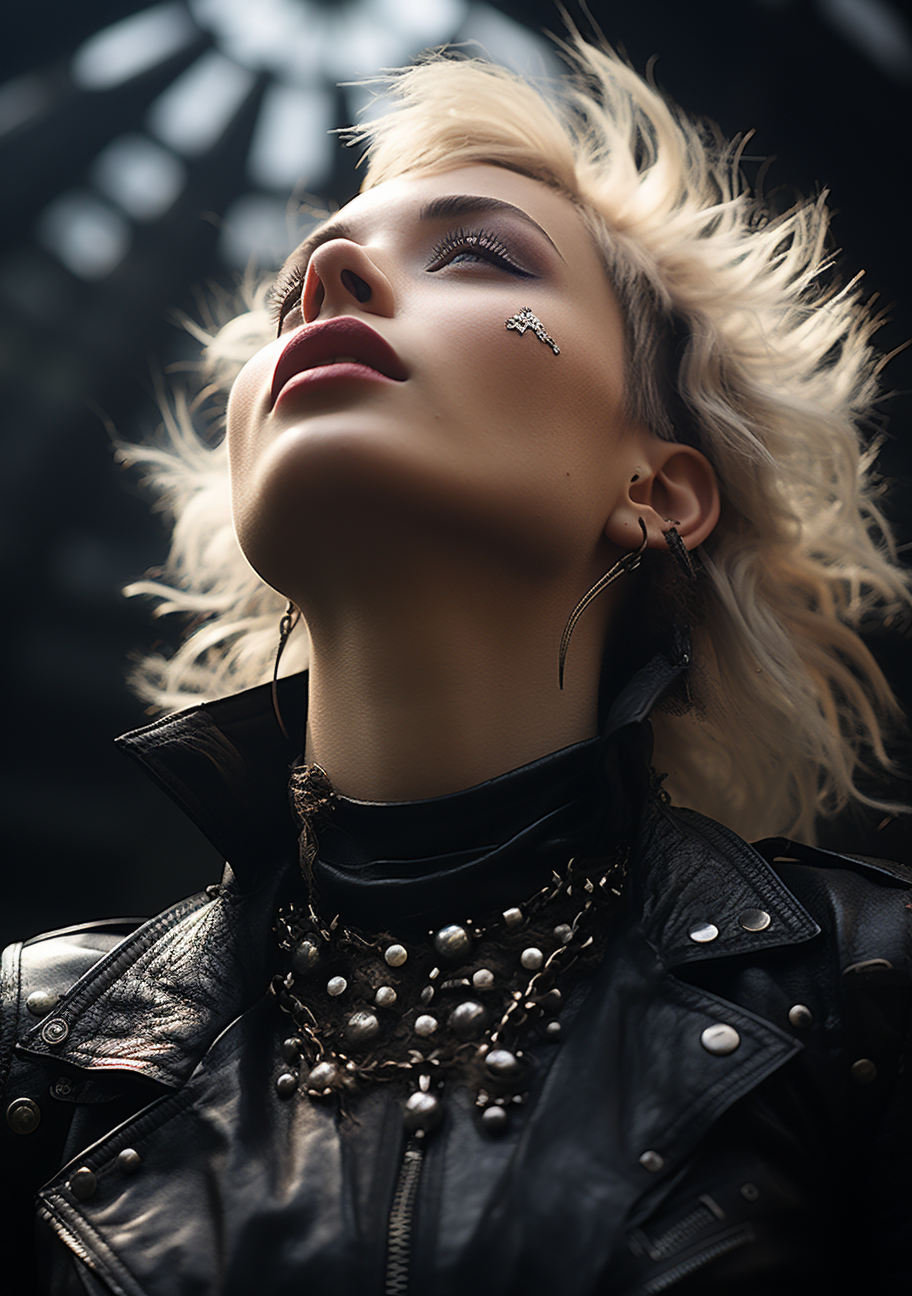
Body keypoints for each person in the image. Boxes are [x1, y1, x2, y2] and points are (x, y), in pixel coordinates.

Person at [2, 33, 910, 1296]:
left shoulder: (863, 997)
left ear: (659, 488)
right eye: (297, 291)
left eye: (478, 255)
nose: (332, 279)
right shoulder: (36, 1050)